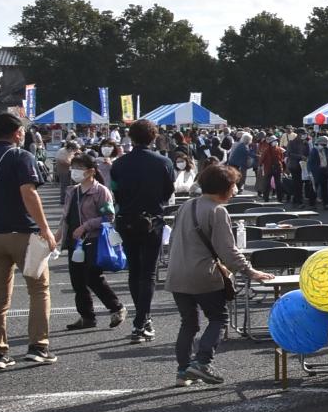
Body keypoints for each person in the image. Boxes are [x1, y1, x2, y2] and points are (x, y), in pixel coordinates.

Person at [166, 162, 274, 386]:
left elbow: (175, 239)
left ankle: (183, 371)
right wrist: (249, 271)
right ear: (223, 187)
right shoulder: (217, 211)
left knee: (189, 323)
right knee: (219, 318)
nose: (235, 190)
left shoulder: (187, 206)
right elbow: (228, 249)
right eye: (233, 185)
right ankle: (202, 362)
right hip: (203, 275)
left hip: (177, 274)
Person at [102, 119, 175, 347]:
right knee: (149, 273)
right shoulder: (164, 162)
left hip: (127, 220)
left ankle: (142, 318)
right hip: (152, 221)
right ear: (153, 138)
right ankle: (142, 320)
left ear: (130, 138)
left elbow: (115, 191)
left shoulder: (119, 164)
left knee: (134, 270)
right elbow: (168, 191)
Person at [61, 153, 125, 331]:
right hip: (74, 241)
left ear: (91, 171)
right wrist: (57, 236)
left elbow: (109, 216)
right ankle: (86, 316)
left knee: (92, 277)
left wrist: (86, 226)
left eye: (79, 168)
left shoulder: (100, 191)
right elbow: (66, 217)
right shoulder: (72, 191)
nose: (74, 171)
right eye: (73, 167)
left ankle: (116, 308)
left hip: (94, 239)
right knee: (77, 281)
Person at [307, 132, 328, 211]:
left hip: (324, 171)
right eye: (322, 144)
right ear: (318, 143)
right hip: (316, 172)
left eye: (325, 144)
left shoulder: (326, 150)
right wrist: (310, 173)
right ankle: (312, 204)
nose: (323, 146)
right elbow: (310, 163)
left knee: (324, 188)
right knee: (314, 188)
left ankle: (327, 204)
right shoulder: (314, 151)